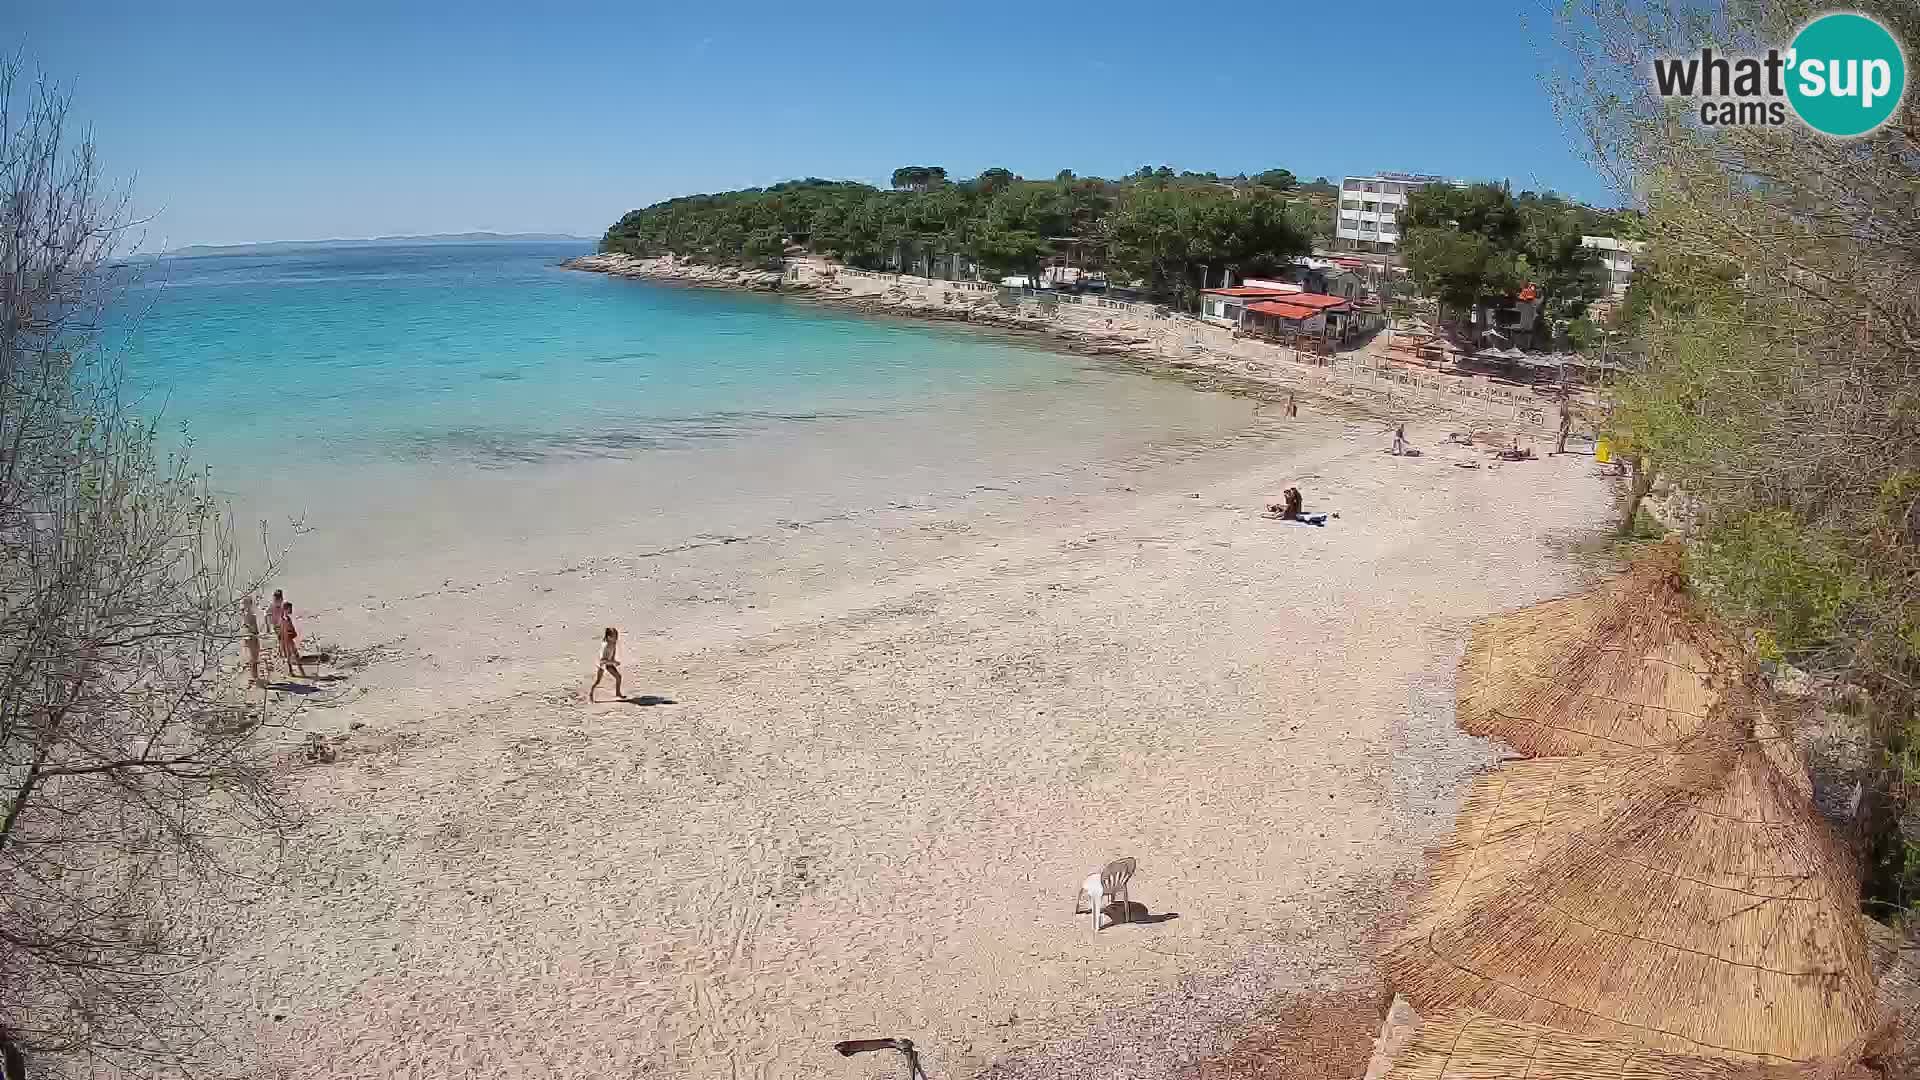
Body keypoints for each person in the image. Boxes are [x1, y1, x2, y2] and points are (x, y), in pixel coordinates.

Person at [590, 627, 622, 702]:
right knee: (598, 681)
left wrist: (613, 660)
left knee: (618, 677)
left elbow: (613, 651)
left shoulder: (613, 642)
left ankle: (618, 693)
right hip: (601, 665)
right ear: (609, 637)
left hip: (609, 663)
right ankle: (591, 693)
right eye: (615, 636)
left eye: (617, 635)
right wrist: (614, 662)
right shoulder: (605, 646)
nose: (617, 637)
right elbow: (602, 661)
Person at [277, 601, 307, 679]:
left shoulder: (286, 618)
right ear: (285, 609)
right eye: (289, 609)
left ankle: (300, 672)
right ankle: (294, 672)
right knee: (290, 656)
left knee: (293, 655)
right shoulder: (284, 619)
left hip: (288, 639)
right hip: (286, 640)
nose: (291, 610)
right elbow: (283, 630)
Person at [242, 596, 263, 686]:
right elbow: (247, 628)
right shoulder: (247, 615)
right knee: (253, 658)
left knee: (254, 658)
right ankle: (254, 677)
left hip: (253, 637)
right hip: (251, 638)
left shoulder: (250, 614)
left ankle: (254, 676)